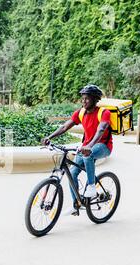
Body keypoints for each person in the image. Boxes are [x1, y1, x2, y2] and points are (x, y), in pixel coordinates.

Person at [41, 84, 113, 216]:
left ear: (95, 99)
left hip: (103, 146)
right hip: (87, 146)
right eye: (83, 98)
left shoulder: (104, 113)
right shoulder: (80, 113)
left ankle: (91, 187)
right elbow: (64, 127)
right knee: (72, 173)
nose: (83, 101)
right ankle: (76, 205)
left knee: (88, 155)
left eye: (87, 98)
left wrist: (89, 146)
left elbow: (101, 130)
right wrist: (49, 137)